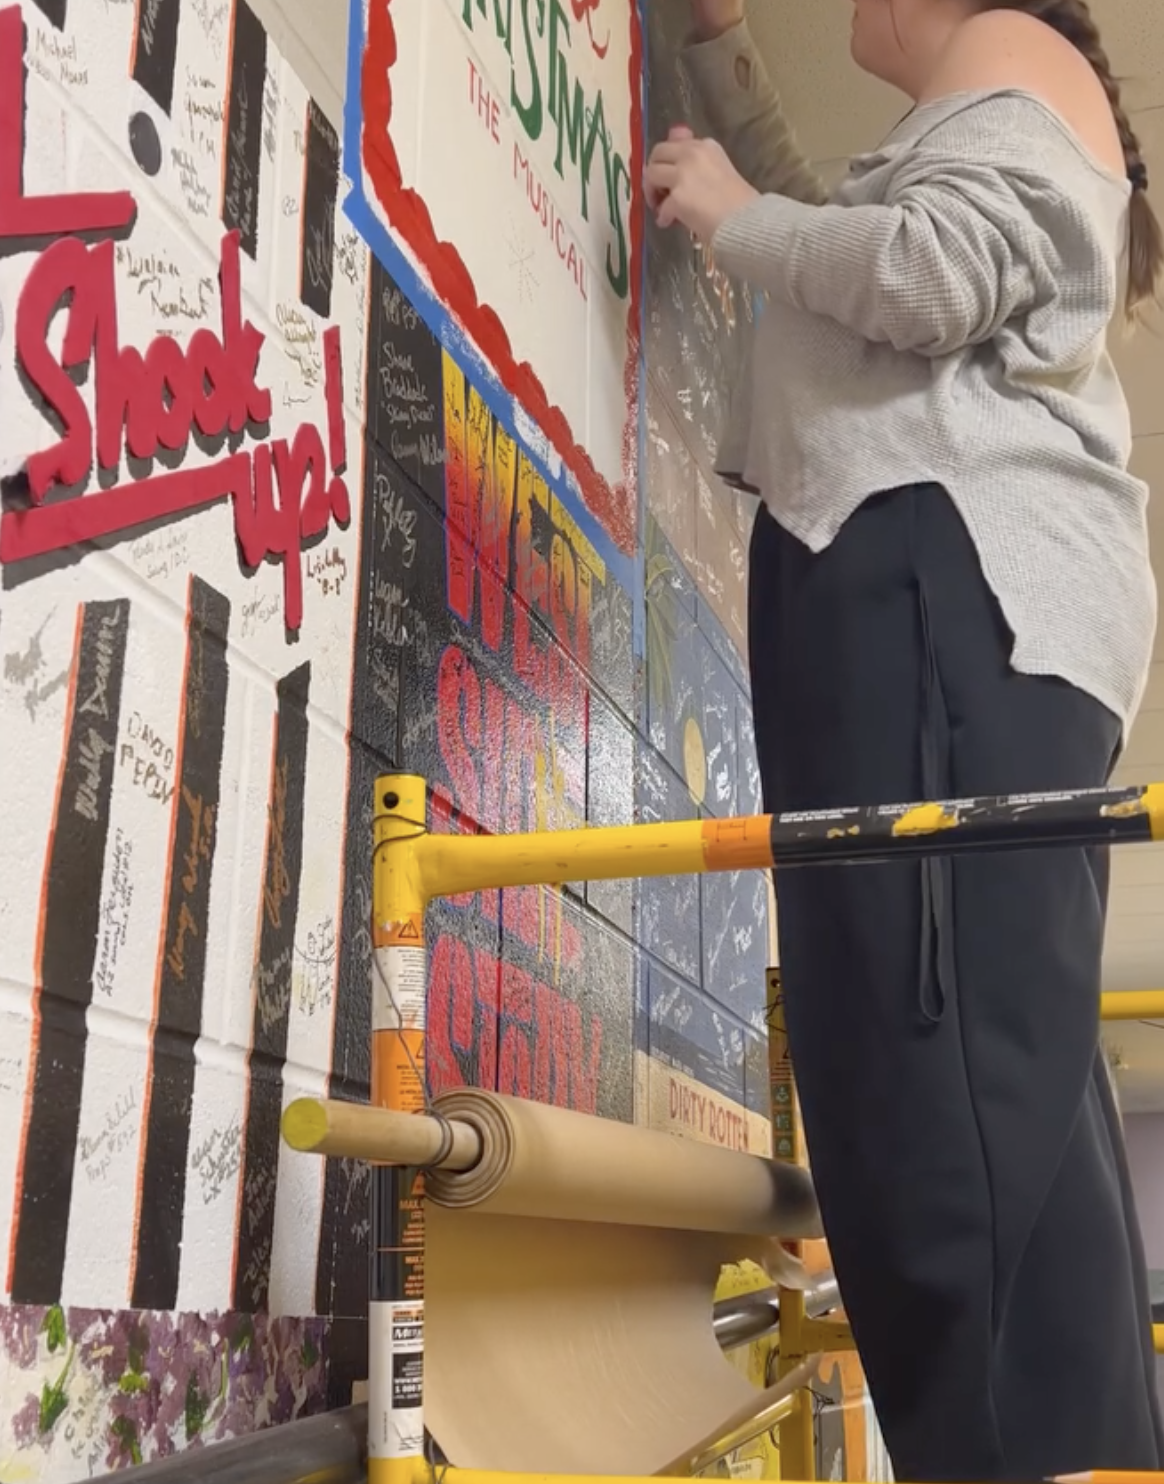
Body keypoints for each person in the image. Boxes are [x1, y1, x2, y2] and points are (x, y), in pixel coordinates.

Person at [645, 0, 1164, 1479]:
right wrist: (726, 68)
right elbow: (848, 253)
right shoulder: (1005, 91)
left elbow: (922, 271)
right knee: (992, 1111)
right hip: (971, 611)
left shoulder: (1012, 38)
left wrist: (732, 215)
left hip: (949, 596)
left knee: (936, 1115)